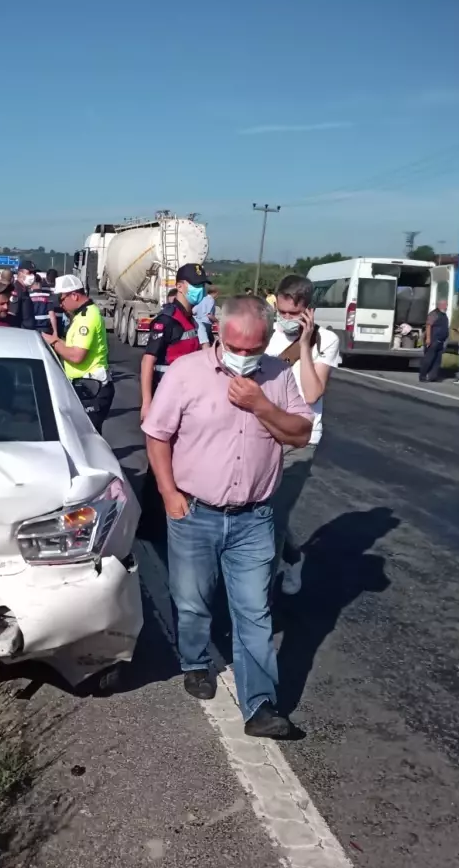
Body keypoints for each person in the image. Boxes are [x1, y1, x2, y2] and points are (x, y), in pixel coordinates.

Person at [143, 295, 313, 739]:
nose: (244, 357)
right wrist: (168, 494)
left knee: (255, 611)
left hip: (254, 517)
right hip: (194, 511)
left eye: (253, 348)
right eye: (236, 348)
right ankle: (196, 661)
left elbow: (301, 433)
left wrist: (261, 404)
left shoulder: (276, 376)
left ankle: (260, 705)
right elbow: (157, 436)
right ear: (219, 334)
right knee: (193, 600)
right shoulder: (186, 374)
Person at [264, 275, 340, 595]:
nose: (285, 319)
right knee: (259, 511)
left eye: (293, 314)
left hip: (301, 440)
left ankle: (258, 602)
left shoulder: (327, 340)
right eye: (281, 311)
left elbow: (311, 394)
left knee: (274, 517)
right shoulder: (268, 336)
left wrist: (305, 345)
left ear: (309, 311)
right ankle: (294, 558)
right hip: (265, 435)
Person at [43, 274, 114, 432]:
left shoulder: (87, 317)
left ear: (74, 295)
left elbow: (76, 355)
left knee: (88, 439)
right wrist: (54, 340)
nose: (61, 305)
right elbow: (71, 346)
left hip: (92, 388)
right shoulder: (82, 315)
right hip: (85, 386)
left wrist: (54, 343)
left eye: (61, 300)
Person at [139, 263, 209, 422]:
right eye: (196, 285)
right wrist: (147, 403)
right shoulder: (167, 320)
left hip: (187, 394)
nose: (201, 289)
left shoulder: (190, 319)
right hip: (166, 394)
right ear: (179, 286)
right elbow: (148, 360)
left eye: (202, 285)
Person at [418, 298, 450, 382]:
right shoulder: (434, 314)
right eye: (446, 304)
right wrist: (428, 338)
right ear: (441, 305)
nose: (447, 306)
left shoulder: (443, 314)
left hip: (440, 340)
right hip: (433, 340)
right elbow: (428, 326)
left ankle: (432, 376)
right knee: (428, 359)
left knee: (437, 361)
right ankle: (423, 376)